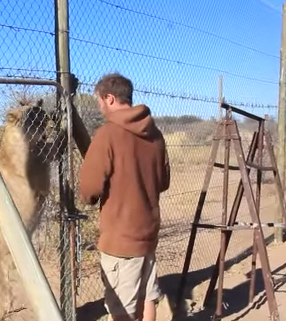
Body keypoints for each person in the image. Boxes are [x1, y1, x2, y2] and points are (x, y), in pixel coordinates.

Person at [78, 73, 171, 321]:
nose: (99, 107)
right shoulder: (156, 134)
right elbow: (163, 182)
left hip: (120, 240)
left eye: (99, 101)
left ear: (109, 98)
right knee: (147, 296)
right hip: (148, 234)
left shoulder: (108, 134)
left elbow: (89, 189)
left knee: (122, 309)